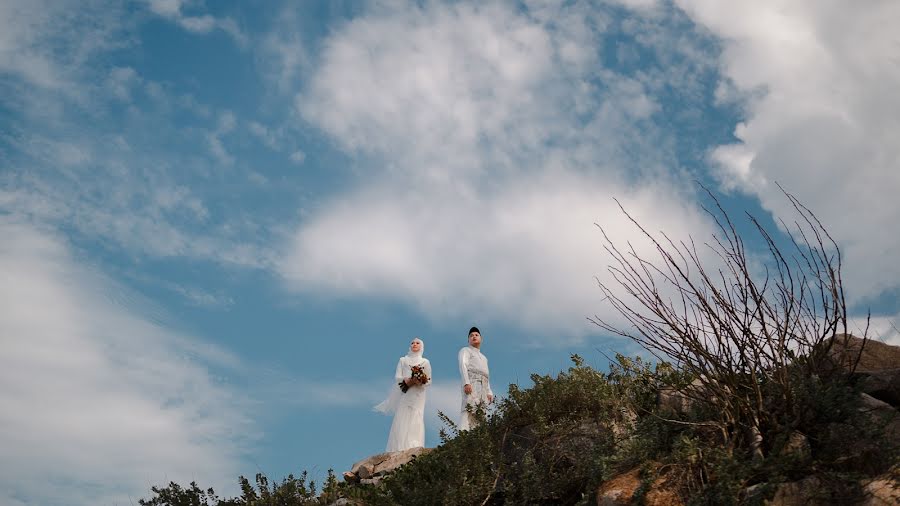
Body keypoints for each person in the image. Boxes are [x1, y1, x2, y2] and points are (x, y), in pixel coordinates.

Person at [374, 337, 432, 452]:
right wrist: (406, 380)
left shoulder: (425, 362)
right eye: (412, 343)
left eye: (417, 343)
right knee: (403, 416)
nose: (414, 344)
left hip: (418, 394)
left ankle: (414, 444)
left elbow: (429, 380)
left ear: (421, 346)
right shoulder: (403, 360)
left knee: (416, 415)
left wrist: (419, 381)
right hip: (406, 392)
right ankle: (400, 446)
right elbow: (397, 377)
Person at [458, 326, 493, 430]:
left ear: (481, 339)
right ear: (468, 340)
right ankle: (462, 436)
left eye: (476, 335)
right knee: (469, 408)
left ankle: (477, 438)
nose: (474, 337)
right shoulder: (466, 350)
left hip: (483, 385)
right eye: (471, 335)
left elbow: (486, 375)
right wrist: (466, 383)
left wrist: (489, 391)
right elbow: (463, 365)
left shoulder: (484, 358)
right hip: (472, 382)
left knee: (481, 411)